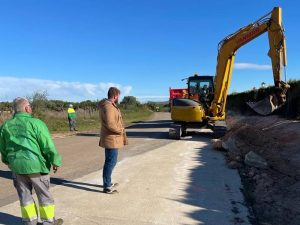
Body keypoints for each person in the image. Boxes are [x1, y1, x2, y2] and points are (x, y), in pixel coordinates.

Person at [0, 97, 63, 225]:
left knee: (25, 197)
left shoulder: (6, 126)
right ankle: (48, 222)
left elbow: (3, 148)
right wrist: (55, 160)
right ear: (27, 108)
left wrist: (8, 161)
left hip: (17, 167)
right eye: (30, 106)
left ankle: (29, 222)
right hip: (37, 167)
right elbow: (47, 145)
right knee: (44, 196)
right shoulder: (36, 123)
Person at [99, 87, 128, 194]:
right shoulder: (109, 107)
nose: (118, 98)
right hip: (112, 138)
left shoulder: (108, 105)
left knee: (110, 161)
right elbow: (111, 124)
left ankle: (108, 182)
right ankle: (107, 186)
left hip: (111, 138)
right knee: (110, 162)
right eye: (118, 96)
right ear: (115, 95)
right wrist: (120, 130)